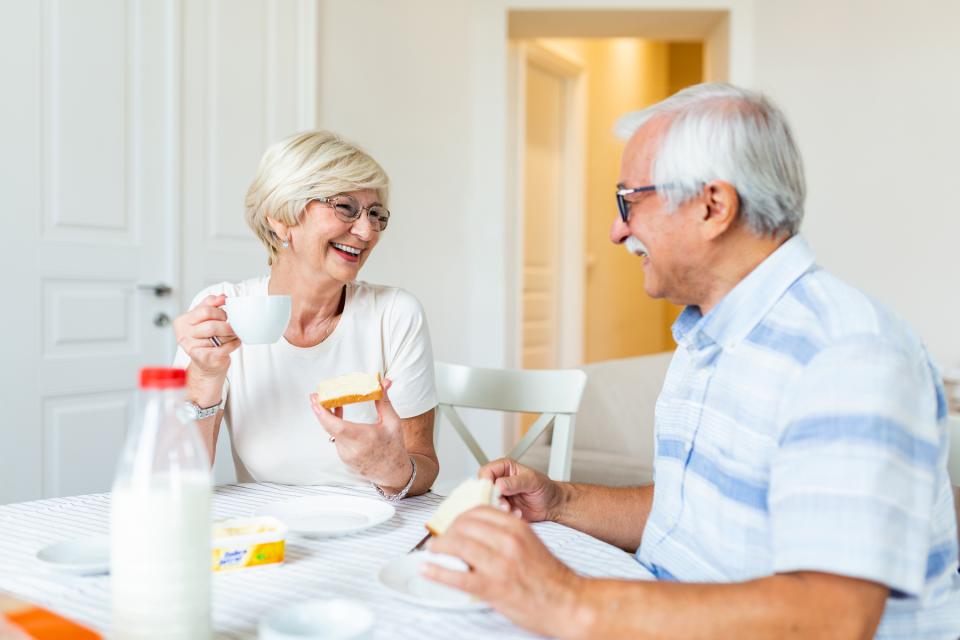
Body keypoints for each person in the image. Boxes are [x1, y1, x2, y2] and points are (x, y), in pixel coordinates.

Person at [423, 84, 960, 638]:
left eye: (629, 201)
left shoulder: (845, 355)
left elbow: (832, 617)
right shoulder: (711, 334)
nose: (617, 230)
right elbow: (694, 514)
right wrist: (560, 501)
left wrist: (568, 600)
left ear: (713, 207)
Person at [172, 131, 438, 498]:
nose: (366, 231)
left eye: (376, 215)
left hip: (377, 524)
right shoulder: (224, 312)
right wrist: (204, 375)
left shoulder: (395, 314)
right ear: (281, 218)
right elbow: (182, 479)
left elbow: (424, 465)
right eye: (345, 207)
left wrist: (396, 469)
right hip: (271, 534)